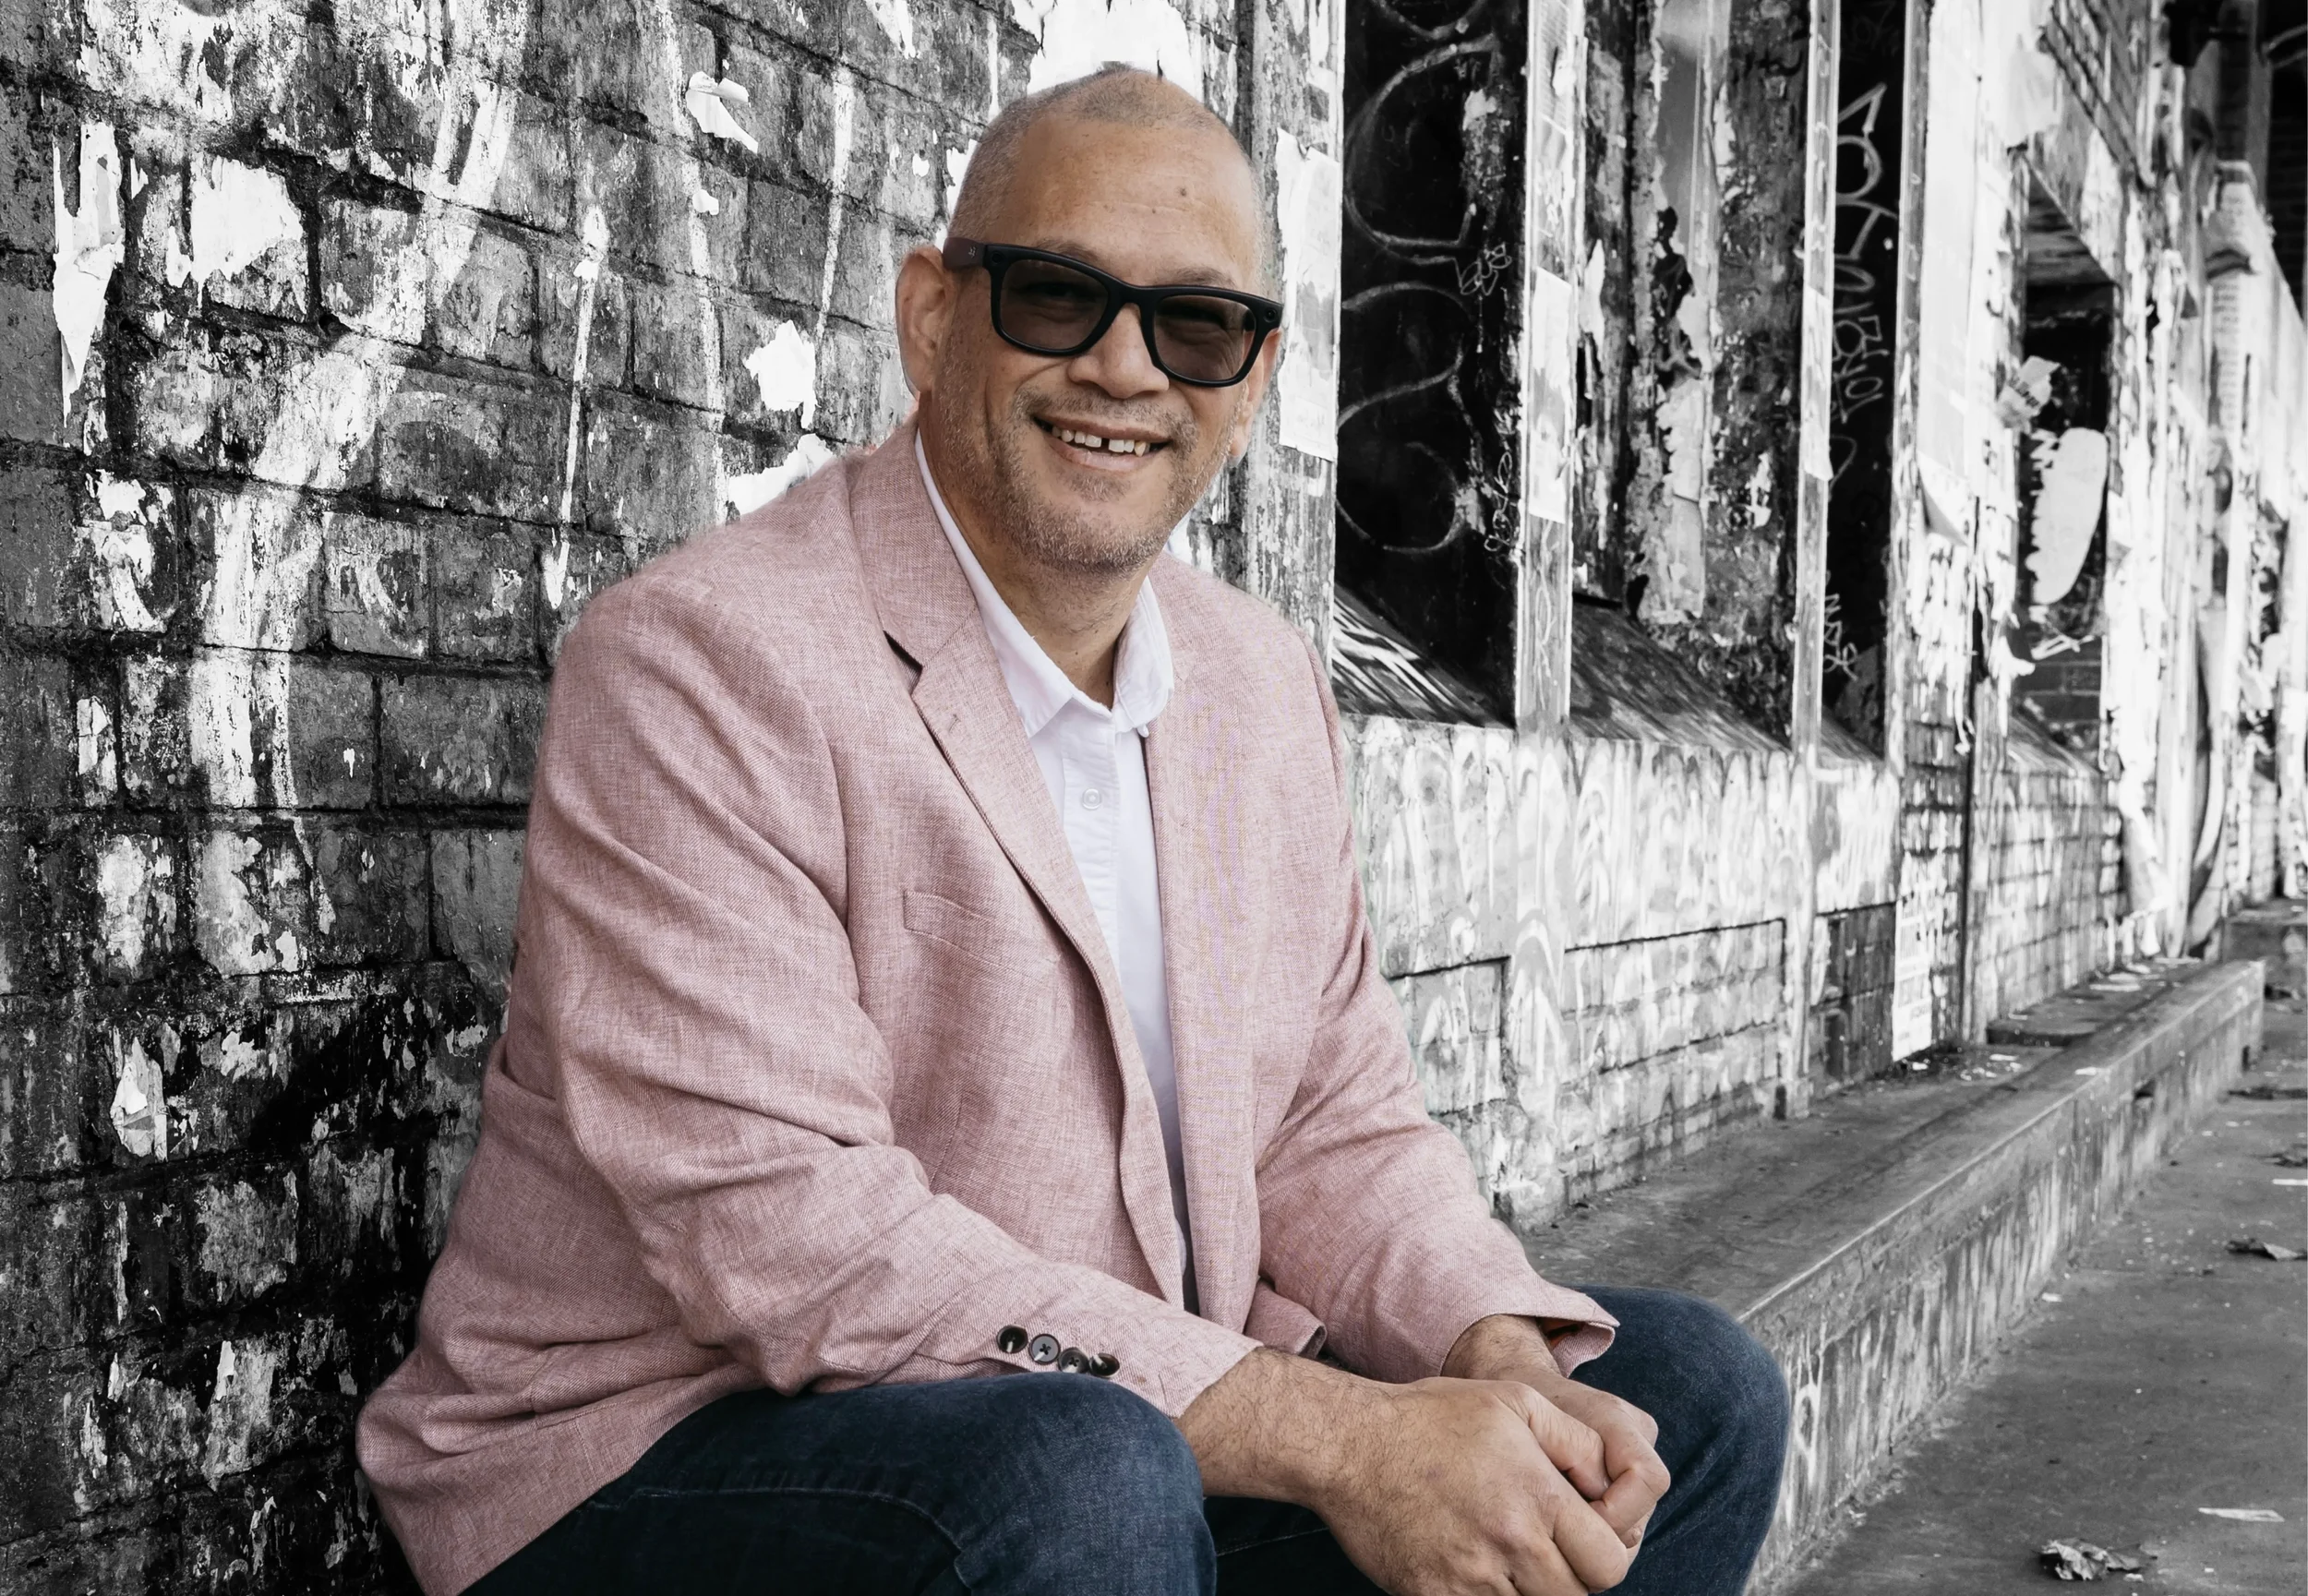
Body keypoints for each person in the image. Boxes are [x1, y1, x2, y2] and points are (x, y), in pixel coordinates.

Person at [357, 65, 1787, 1596]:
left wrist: (1493, 1355)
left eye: (1196, 324)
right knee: (1082, 1482)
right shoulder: (703, 666)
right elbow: (790, 1240)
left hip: (1103, 1450)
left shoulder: (1258, 685)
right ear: (932, 318)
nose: (1124, 367)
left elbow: (1334, 1125)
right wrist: (1344, 1441)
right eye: (1057, 295)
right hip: (661, 1459)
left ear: (1251, 380)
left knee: (1683, 1400)